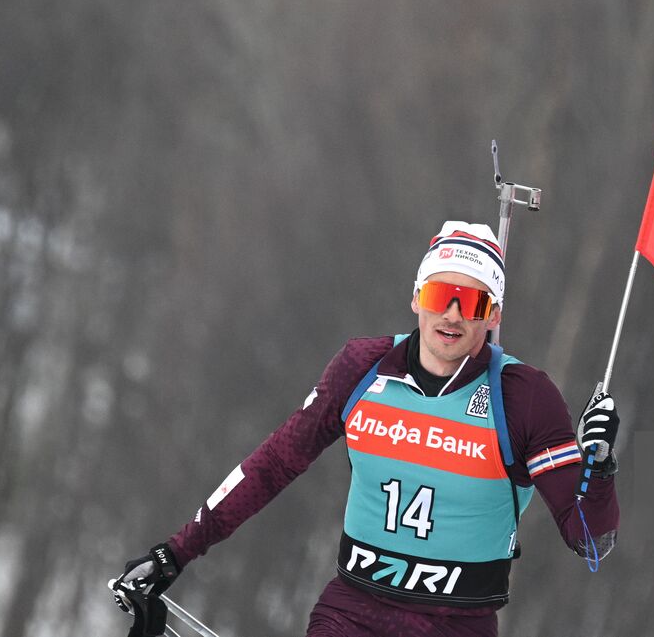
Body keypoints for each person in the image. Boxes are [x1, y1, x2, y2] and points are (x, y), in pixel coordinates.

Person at [112, 221, 621, 637]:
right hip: (353, 613)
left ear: (495, 317)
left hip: (456, 626)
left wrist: (599, 466)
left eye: (474, 303)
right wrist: (174, 554)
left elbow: (590, 539)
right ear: (417, 296)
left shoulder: (523, 397)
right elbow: (271, 467)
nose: (452, 315)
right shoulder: (363, 367)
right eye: (443, 294)